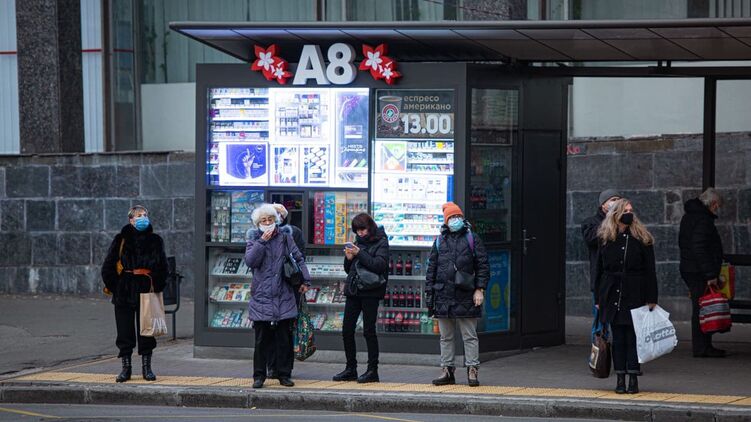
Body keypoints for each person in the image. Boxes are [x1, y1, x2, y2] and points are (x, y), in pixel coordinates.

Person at [594, 199, 657, 394]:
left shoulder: (642, 238)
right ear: (616, 214)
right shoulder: (606, 238)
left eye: (631, 210)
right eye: (625, 211)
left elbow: (650, 271)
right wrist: (598, 299)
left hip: (635, 292)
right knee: (618, 338)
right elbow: (599, 270)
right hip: (611, 292)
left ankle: (633, 378)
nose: (629, 214)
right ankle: (620, 378)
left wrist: (651, 298)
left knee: (633, 338)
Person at [245, 203, 310, 389]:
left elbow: (298, 258)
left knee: (284, 339)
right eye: (263, 220)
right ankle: (259, 376)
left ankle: (284, 374)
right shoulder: (254, 239)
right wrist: (262, 242)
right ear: (258, 223)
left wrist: (306, 281)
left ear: (276, 220)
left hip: (283, 293)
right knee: (261, 340)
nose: (267, 223)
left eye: (270, 219)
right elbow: (250, 261)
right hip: (262, 296)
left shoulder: (285, 237)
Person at [101, 205, 168, 383]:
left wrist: (157, 284)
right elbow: (108, 266)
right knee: (124, 331)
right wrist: (117, 286)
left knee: (147, 330)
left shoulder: (155, 240)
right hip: (125, 290)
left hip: (147, 289)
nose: (143, 218)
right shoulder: (121, 239)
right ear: (131, 220)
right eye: (139, 216)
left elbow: (163, 267)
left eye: (145, 215)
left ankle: (147, 368)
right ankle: (126, 368)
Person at [427, 202, 489, 387]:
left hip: (466, 294)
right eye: (452, 217)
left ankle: (472, 369)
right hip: (443, 295)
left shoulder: (472, 238)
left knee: (469, 335)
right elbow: (431, 269)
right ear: (446, 221)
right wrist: (430, 295)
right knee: (445, 337)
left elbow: (483, 266)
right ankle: (447, 370)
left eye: (458, 216)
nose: (455, 220)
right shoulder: (439, 241)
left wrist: (480, 289)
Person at [332, 213, 389, 384]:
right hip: (354, 290)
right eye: (357, 230)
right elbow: (349, 269)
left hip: (371, 292)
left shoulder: (381, 241)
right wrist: (348, 259)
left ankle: (372, 370)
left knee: (369, 331)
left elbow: (379, 265)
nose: (360, 233)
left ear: (370, 227)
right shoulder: (357, 242)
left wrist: (359, 253)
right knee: (347, 330)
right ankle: (351, 368)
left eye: (363, 229)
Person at [679, 188, 726, 358]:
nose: (717, 209)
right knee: (702, 309)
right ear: (712, 204)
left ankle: (704, 346)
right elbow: (699, 248)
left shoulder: (690, 216)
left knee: (702, 307)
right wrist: (710, 275)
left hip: (691, 269)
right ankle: (702, 347)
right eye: (717, 205)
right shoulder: (703, 220)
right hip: (698, 272)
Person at [267, 203, 306, 379]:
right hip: (270, 288)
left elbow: (299, 258)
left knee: (285, 329)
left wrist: (303, 281)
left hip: (288, 286)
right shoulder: (261, 234)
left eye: (277, 215)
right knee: (269, 329)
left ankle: (284, 368)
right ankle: (272, 366)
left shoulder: (292, 232)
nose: (273, 219)